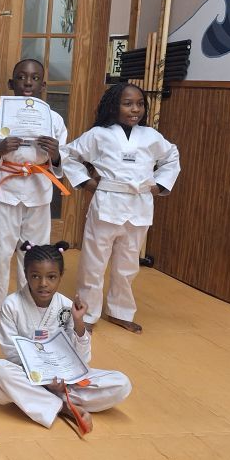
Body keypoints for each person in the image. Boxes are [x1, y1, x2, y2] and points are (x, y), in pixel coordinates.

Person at [61, 83, 180, 333]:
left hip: (139, 203)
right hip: (107, 201)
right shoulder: (99, 134)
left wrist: (160, 184)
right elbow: (69, 155)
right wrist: (86, 182)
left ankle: (120, 311)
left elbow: (172, 157)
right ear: (114, 106)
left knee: (127, 264)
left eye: (139, 104)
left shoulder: (151, 137)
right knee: (94, 262)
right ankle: (88, 313)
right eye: (127, 103)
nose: (135, 109)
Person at [0, 241, 132, 435]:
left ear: (61, 276)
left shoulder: (66, 306)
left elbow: (83, 359)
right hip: (31, 376)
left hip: (66, 377)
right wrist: (44, 379)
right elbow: (11, 351)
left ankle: (43, 400)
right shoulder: (11, 305)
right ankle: (63, 407)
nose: (43, 283)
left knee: (121, 383)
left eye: (51, 277)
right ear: (25, 274)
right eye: (35, 276)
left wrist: (79, 323)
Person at [0, 59, 69, 336]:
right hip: (4, 189)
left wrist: (55, 155)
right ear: (11, 84)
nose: (27, 82)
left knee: (35, 253)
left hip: (38, 189)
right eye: (21, 77)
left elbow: (65, 161)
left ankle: (27, 307)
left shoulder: (54, 120)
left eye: (34, 78)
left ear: (43, 85)